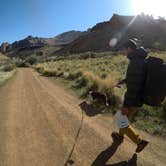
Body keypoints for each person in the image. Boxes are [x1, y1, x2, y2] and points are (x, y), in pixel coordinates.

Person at [112, 39, 149, 153]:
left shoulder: (135, 62)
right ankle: (120, 136)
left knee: (121, 119)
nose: (123, 52)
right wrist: (123, 81)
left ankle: (140, 142)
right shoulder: (139, 60)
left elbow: (134, 86)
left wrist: (126, 104)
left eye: (124, 49)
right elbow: (135, 79)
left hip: (133, 99)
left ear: (129, 49)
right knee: (123, 120)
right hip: (138, 98)